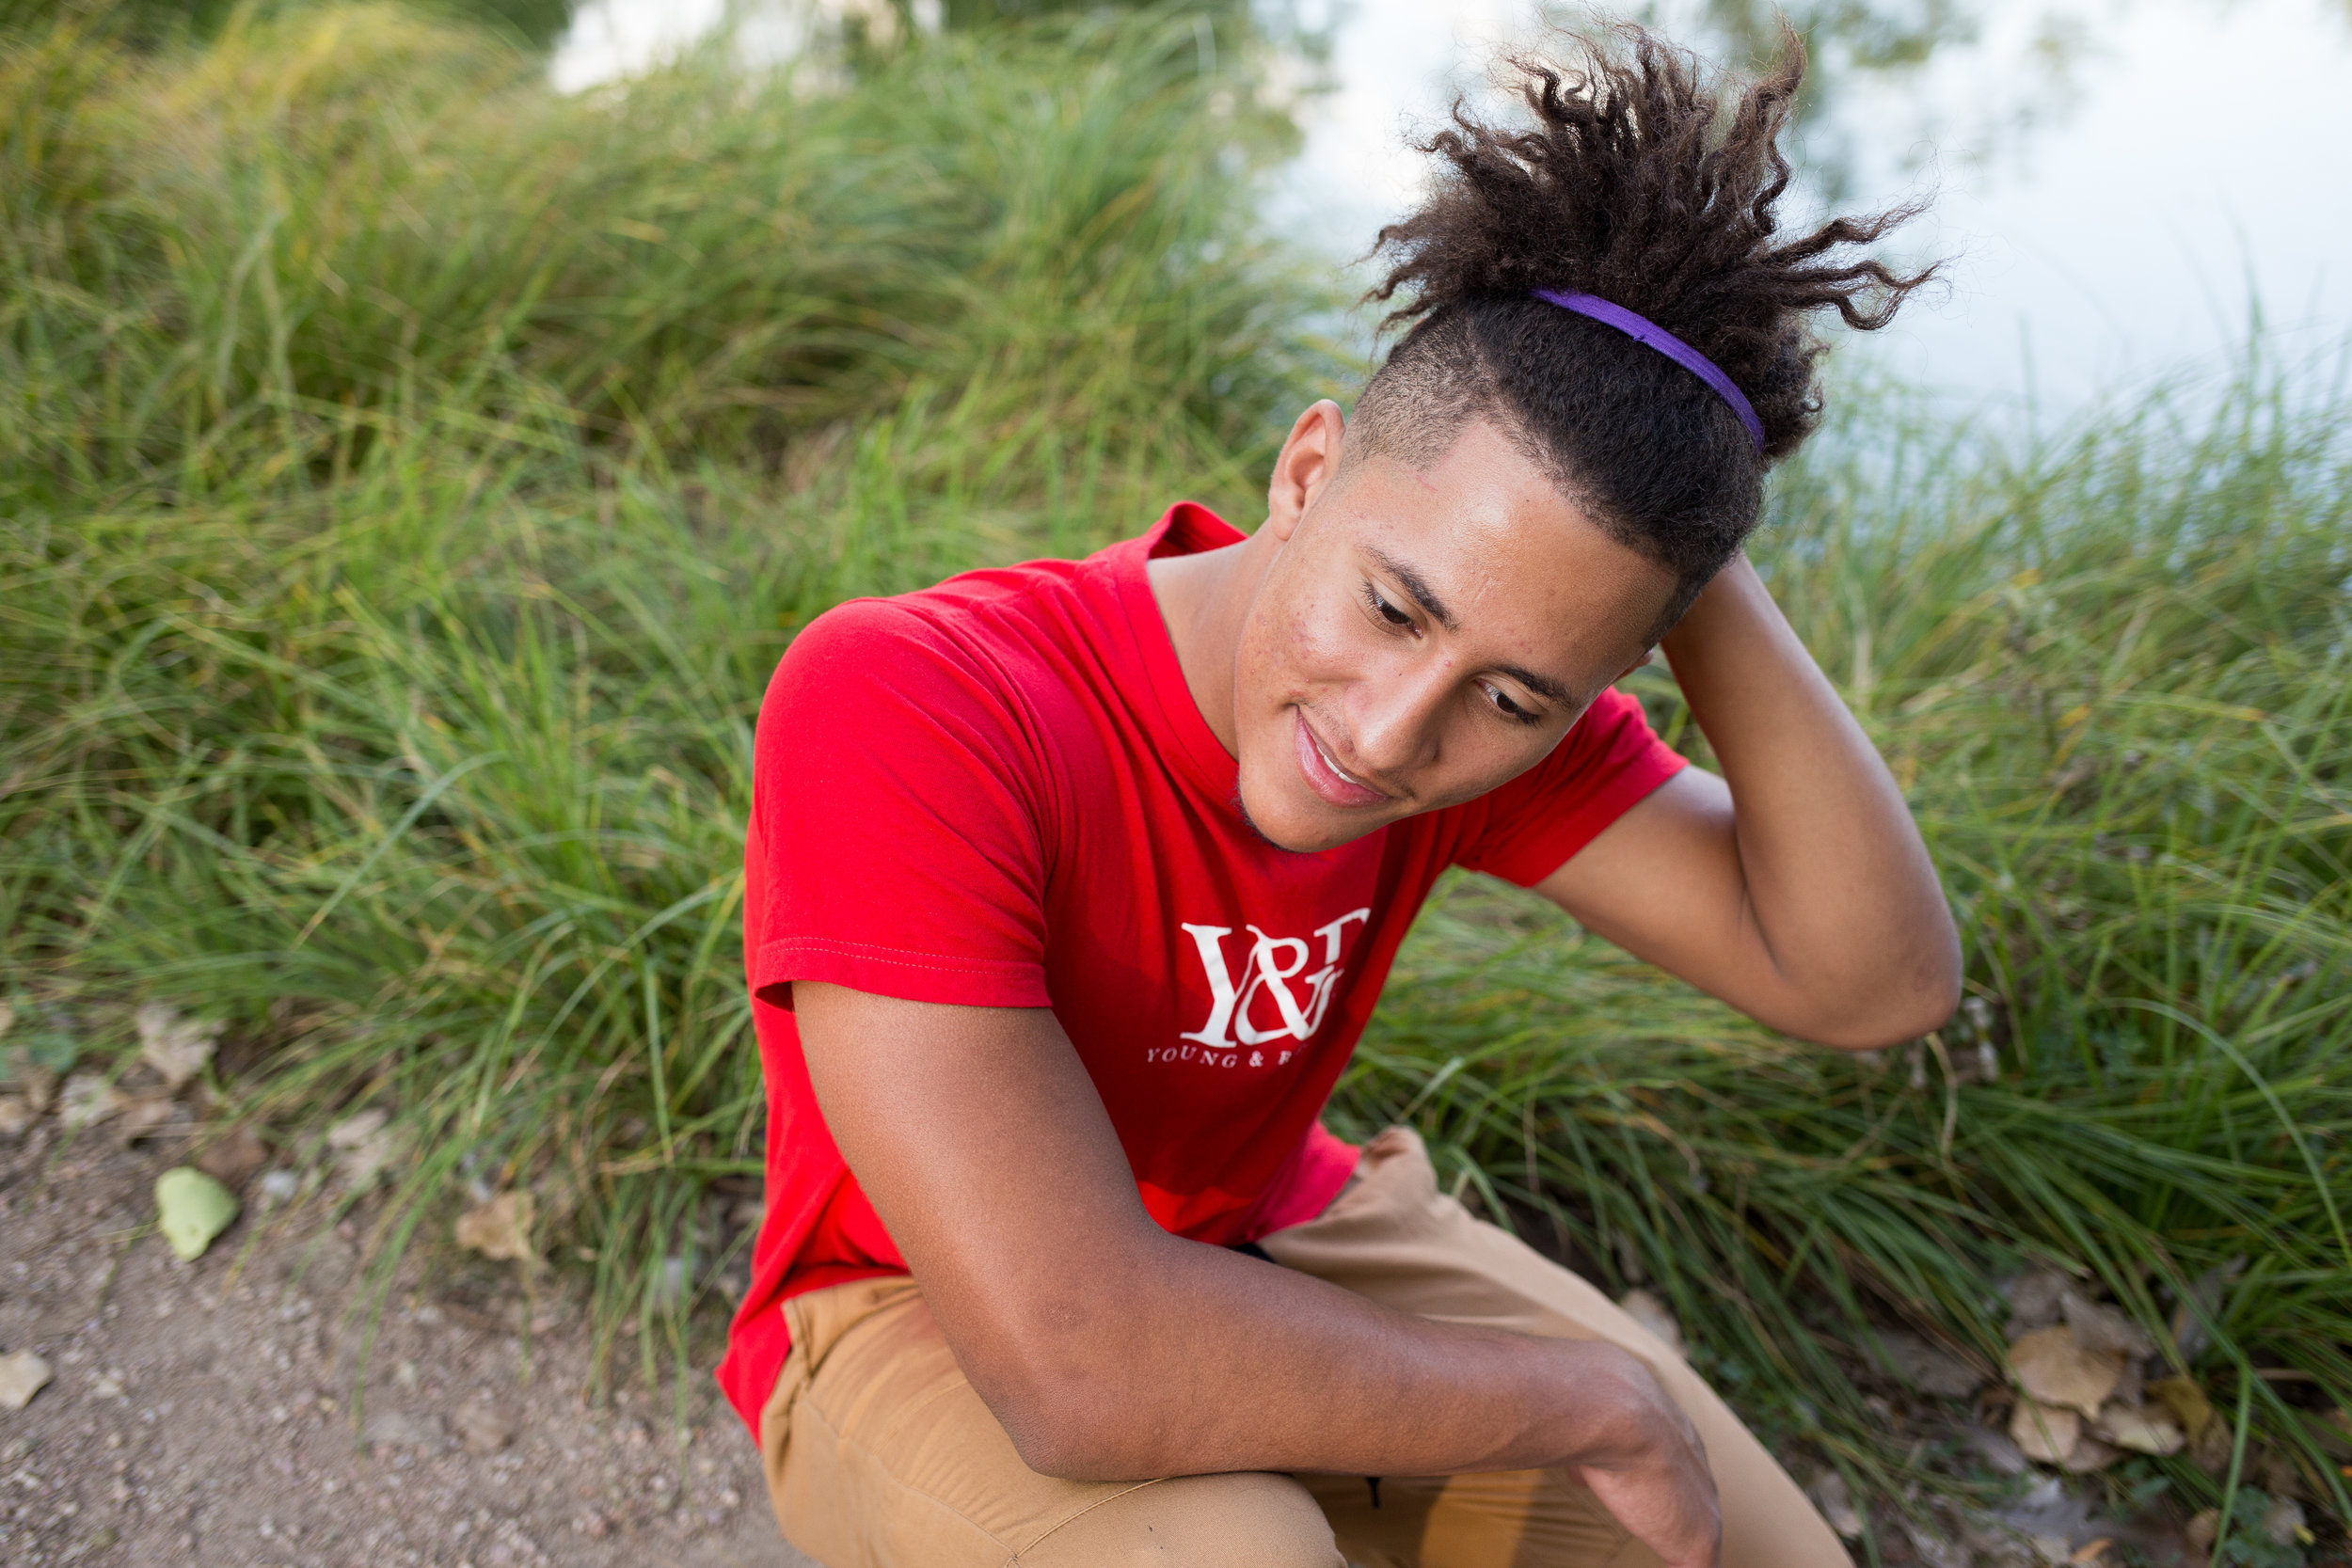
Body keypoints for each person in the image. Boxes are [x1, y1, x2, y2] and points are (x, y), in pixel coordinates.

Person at [718, 24, 1961, 1568]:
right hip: (912, 1309)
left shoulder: (1489, 715)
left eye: (1518, 694)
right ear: (1307, 472)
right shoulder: (922, 700)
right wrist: (1587, 1404)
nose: (1388, 737)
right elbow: (1080, 1366)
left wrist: (1672, 539)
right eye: (1394, 606)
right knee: (1243, 1552)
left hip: (1287, 1232)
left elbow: (1869, 979)